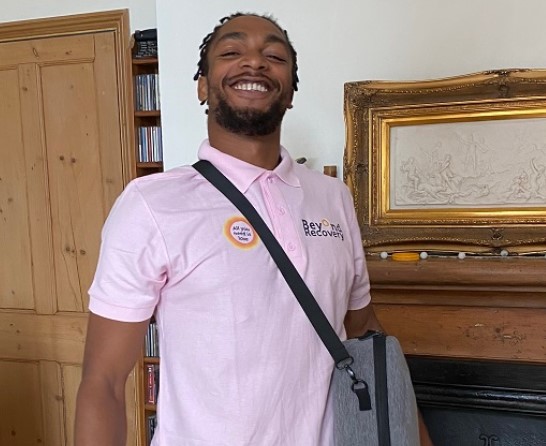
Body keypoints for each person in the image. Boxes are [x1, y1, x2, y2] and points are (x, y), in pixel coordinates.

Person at [74, 12, 433, 446]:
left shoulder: (333, 198)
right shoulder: (151, 203)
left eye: (274, 55)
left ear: (291, 91)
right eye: (231, 51)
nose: (254, 62)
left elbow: (365, 333)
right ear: (203, 86)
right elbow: (104, 382)